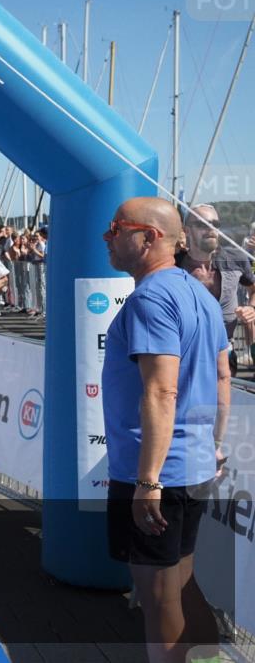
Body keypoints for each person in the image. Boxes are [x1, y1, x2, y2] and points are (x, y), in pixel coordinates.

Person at [101, 197, 229, 663]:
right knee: (181, 582)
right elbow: (222, 377)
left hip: (159, 472)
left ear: (149, 237)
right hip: (190, 465)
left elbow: (161, 392)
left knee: (158, 600)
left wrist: (148, 480)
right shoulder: (198, 292)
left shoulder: (151, 297)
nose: (108, 237)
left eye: (117, 228)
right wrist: (212, 446)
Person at [176, 204, 255, 376]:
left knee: (223, 402)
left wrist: (251, 307)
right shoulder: (173, 263)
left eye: (215, 224)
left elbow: (253, 288)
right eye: (203, 223)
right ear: (186, 230)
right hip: (184, 355)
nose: (211, 228)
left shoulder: (237, 258)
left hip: (225, 353)